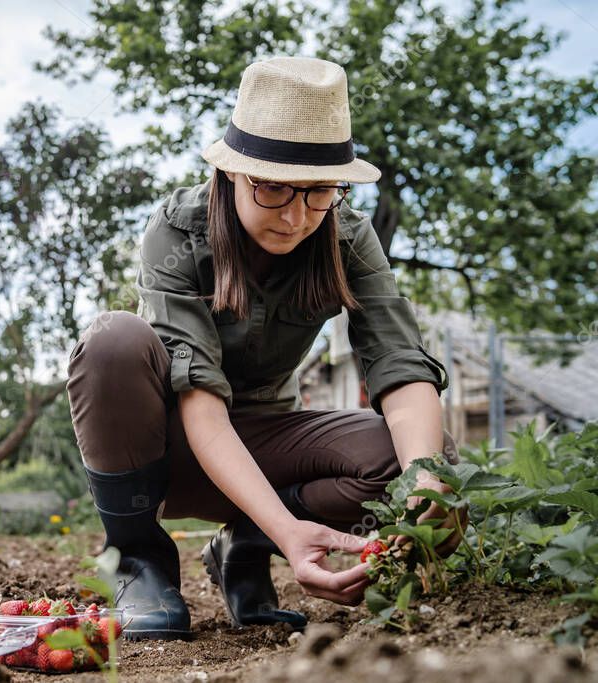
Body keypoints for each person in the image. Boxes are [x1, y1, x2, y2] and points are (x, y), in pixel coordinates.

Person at [65, 56, 466, 641]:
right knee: (112, 339)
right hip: (170, 452)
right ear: (232, 174)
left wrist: (426, 480)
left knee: (427, 454)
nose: (297, 216)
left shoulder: (346, 235)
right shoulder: (178, 232)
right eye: (274, 187)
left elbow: (400, 363)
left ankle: (241, 544)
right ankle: (138, 561)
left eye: (319, 191)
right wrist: (289, 529)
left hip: (267, 441)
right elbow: (200, 400)